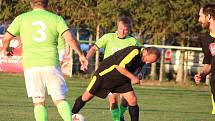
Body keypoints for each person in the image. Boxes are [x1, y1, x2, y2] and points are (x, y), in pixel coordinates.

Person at [2, 0, 88, 121]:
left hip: (31, 65)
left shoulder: (21, 18)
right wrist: (81, 54)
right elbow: (70, 38)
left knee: (38, 102)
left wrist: (6, 49)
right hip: (51, 63)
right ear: (47, 4)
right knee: (59, 100)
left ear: (31, 3)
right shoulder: (56, 18)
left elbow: (6, 38)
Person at [72, 46, 160, 121]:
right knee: (86, 97)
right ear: (146, 52)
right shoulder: (135, 52)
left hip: (121, 79)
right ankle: (70, 115)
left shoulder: (142, 58)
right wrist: (133, 78)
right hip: (105, 75)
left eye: (152, 62)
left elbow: (136, 69)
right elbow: (119, 67)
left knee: (132, 100)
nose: (148, 62)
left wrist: (137, 75)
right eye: (149, 60)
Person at [86, 17, 138, 121]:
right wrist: (86, 59)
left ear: (129, 30)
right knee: (113, 100)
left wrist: (137, 73)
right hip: (109, 75)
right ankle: (117, 119)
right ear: (117, 28)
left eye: (126, 29)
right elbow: (94, 48)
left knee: (126, 100)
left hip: (124, 75)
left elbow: (137, 59)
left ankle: (121, 115)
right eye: (121, 29)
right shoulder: (108, 37)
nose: (123, 32)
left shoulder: (133, 41)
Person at [194, 3, 215, 114]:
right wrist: (201, 74)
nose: (199, 20)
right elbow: (209, 64)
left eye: (200, 16)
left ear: (209, 17)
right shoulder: (206, 40)